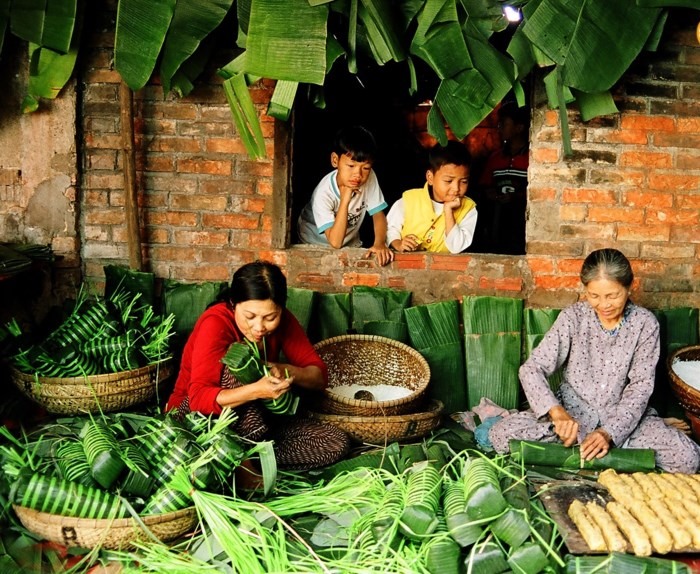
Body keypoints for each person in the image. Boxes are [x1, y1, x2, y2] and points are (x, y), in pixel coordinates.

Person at [488, 248, 700, 473]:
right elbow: (532, 368)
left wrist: (609, 433)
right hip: (573, 418)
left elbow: (640, 388)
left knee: (688, 459)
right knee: (501, 436)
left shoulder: (644, 324)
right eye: (594, 296)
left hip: (622, 420)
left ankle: (610, 444)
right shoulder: (573, 318)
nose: (603, 305)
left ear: (629, 288)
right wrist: (557, 413)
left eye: (612, 296)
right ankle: (614, 453)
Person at [166, 260, 350, 470]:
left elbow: (318, 377)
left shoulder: (285, 322)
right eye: (250, 317)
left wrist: (282, 369)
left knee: (335, 442)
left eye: (270, 317)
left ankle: (243, 459)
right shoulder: (216, 322)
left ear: (280, 309)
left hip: (256, 423)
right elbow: (198, 399)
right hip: (197, 420)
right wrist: (256, 391)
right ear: (234, 304)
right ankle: (237, 462)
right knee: (239, 365)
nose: (259, 327)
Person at [297, 126, 394, 266]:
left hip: (350, 241)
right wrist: (345, 200)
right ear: (335, 160)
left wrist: (379, 243)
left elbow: (378, 214)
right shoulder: (323, 193)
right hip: (314, 242)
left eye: (365, 168)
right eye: (350, 166)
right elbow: (335, 242)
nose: (358, 174)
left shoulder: (369, 177)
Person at [386, 140, 477, 253]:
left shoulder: (469, 209)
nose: (456, 188)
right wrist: (398, 243)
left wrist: (448, 211)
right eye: (449, 181)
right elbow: (389, 228)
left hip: (444, 270)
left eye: (463, 181)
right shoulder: (409, 200)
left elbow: (456, 247)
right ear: (430, 177)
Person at [477, 102, 529, 255]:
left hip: (522, 223)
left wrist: (517, 196)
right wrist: (491, 193)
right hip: (497, 221)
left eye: (504, 124)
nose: (499, 128)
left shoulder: (532, 158)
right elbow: (484, 186)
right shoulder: (495, 157)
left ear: (519, 128)